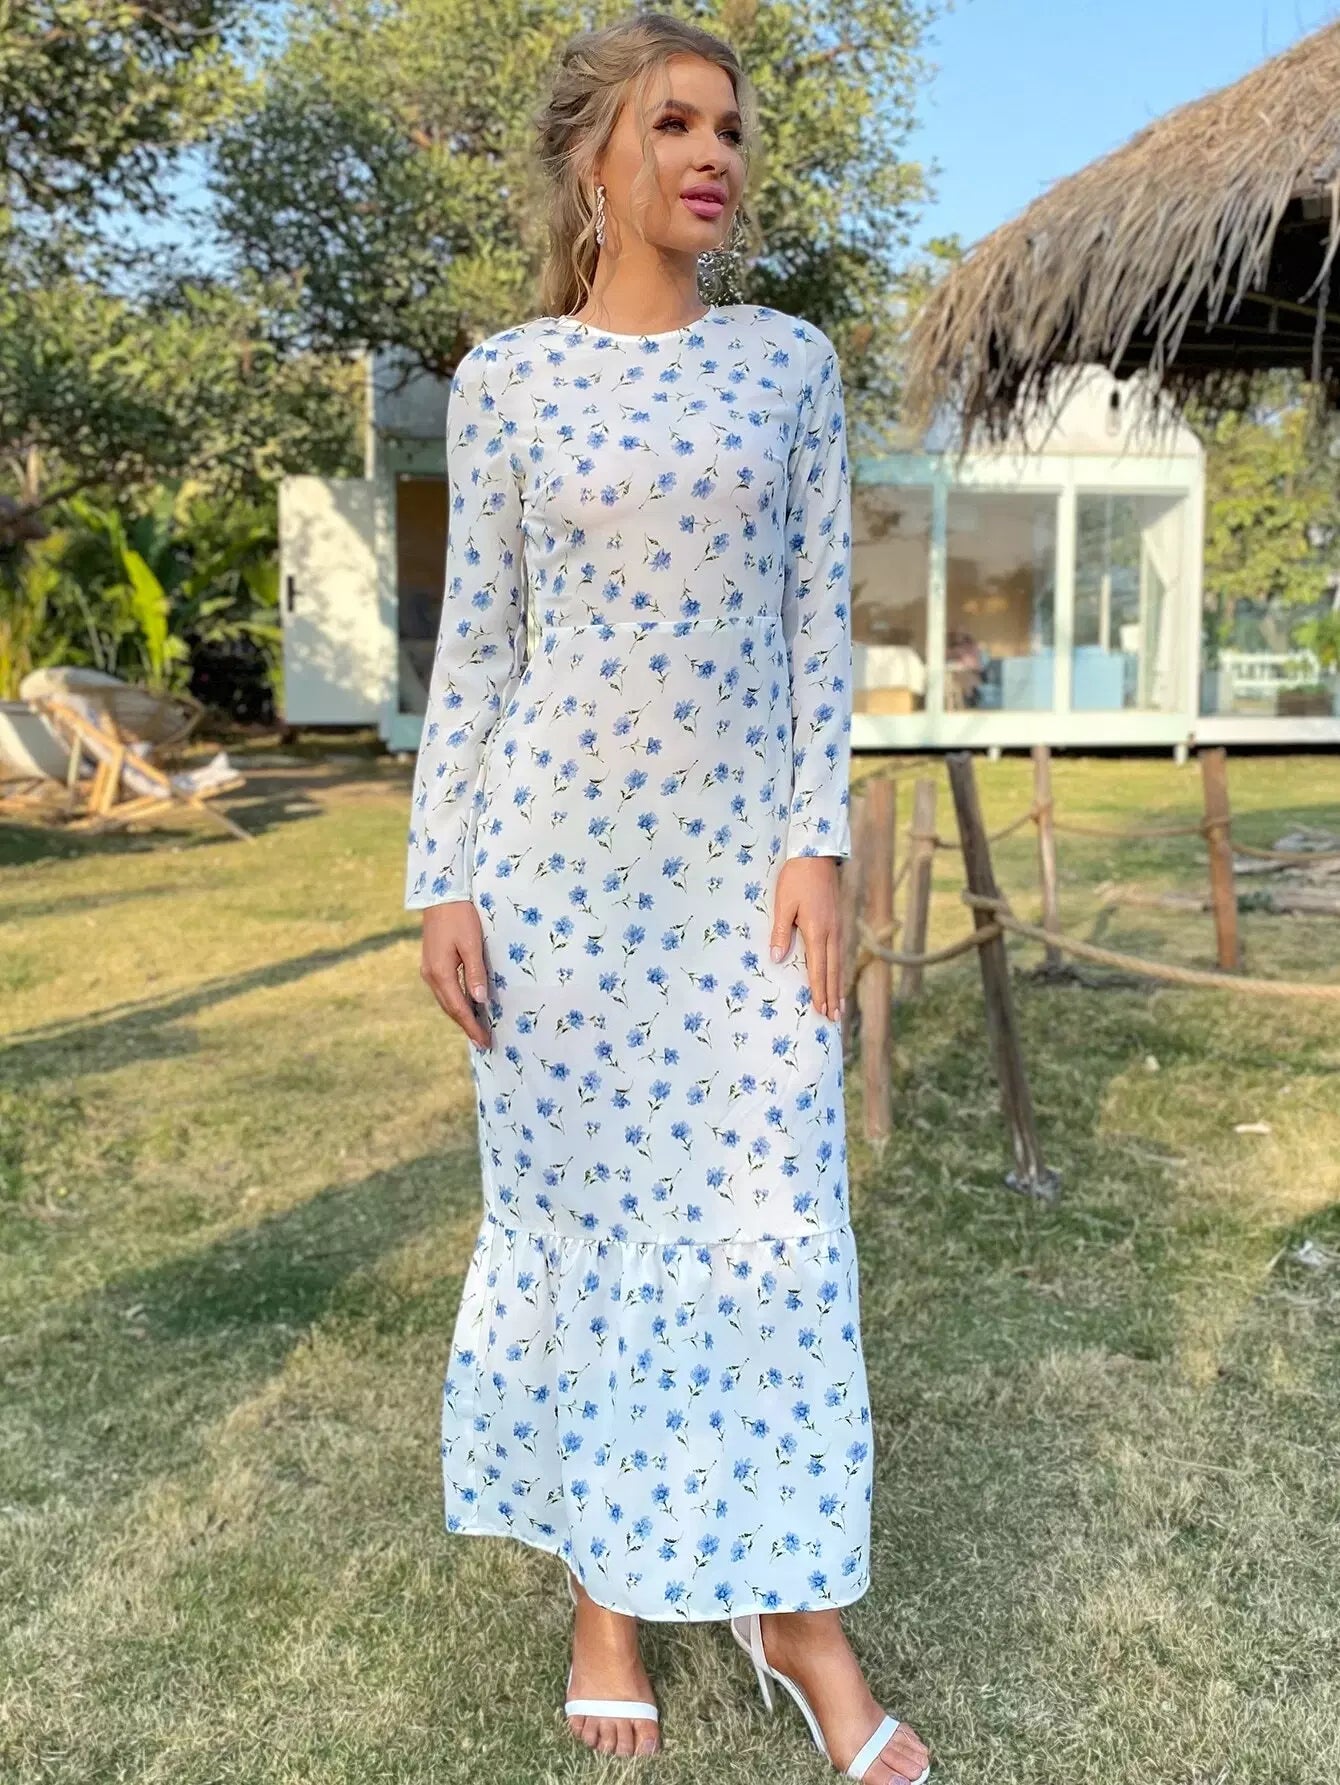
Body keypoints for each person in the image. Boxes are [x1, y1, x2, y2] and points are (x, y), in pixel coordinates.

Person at [404, 13, 931, 1783]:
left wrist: (817, 840)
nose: (713, 155)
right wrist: (442, 878)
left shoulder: (787, 365)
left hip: (739, 888)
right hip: (551, 886)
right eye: (674, 123)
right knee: (581, 1226)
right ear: (594, 157)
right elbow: (479, 650)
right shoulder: (508, 381)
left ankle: (798, 1615)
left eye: (730, 129)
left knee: (774, 1220)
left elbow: (813, 625)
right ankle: (608, 1601)